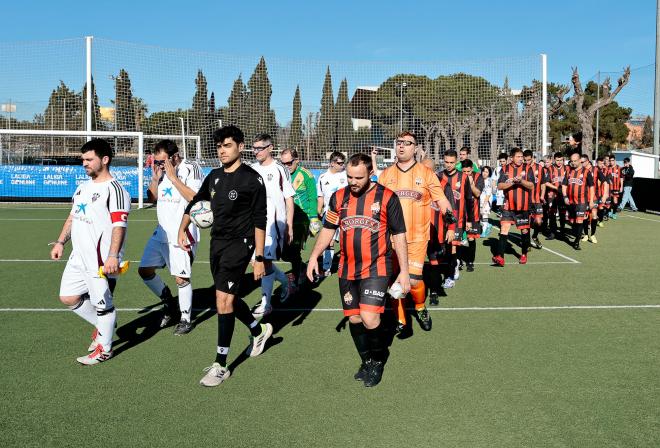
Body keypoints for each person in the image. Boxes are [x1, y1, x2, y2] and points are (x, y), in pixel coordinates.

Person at [178, 125, 272, 387]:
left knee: (222, 301)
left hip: (240, 245)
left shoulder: (252, 179)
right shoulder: (214, 176)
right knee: (227, 297)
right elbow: (196, 202)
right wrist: (182, 228)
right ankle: (259, 330)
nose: (222, 150)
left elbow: (260, 220)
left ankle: (221, 364)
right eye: (219, 146)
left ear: (241, 147)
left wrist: (260, 258)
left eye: (227, 145)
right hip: (216, 245)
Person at [306, 153, 410, 387]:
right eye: (349, 176)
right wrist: (314, 256)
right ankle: (365, 360)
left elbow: (400, 236)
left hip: (377, 268)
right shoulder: (338, 197)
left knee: (369, 317)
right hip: (347, 269)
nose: (352, 181)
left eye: (358, 177)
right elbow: (328, 229)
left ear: (371, 173)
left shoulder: (387, 197)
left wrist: (404, 271)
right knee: (354, 319)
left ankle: (377, 361)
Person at [50, 139, 130, 365]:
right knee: (68, 296)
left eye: (89, 159)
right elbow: (73, 215)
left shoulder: (116, 190)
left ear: (104, 160)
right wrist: (60, 242)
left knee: (103, 305)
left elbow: (119, 226)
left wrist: (113, 256)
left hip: (100, 259)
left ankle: (104, 349)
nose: (84, 164)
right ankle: (105, 326)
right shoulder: (82, 187)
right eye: (82, 160)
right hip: (78, 256)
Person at [378, 131, 450, 333]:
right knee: (395, 281)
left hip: (418, 237)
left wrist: (448, 214)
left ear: (415, 148)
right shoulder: (386, 175)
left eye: (407, 143)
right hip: (391, 238)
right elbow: (378, 203)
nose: (401, 146)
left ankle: (419, 307)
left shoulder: (426, 173)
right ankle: (401, 319)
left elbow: (441, 199)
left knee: (413, 280)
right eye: (399, 142)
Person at [138, 140, 203, 335]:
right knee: (145, 271)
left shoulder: (191, 168)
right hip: (162, 232)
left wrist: (174, 178)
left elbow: (196, 198)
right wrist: (156, 178)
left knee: (181, 278)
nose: (159, 165)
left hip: (183, 232)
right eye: (155, 161)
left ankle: (185, 318)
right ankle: (168, 301)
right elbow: (152, 198)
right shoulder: (161, 172)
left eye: (161, 161)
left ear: (174, 157)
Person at [250, 134, 296, 317]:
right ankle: (286, 282)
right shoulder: (251, 169)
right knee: (256, 262)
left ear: (270, 148)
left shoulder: (279, 169)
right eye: (254, 148)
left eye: (260, 148)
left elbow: (289, 198)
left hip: (273, 225)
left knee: (265, 261)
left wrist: (289, 225)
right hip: (253, 224)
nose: (256, 152)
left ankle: (266, 303)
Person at [280, 148, 319, 289]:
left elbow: (313, 197)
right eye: (283, 163)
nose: (286, 166)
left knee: (294, 249)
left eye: (289, 163)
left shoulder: (306, 175)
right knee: (283, 253)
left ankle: (296, 281)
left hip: (302, 219)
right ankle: (302, 268)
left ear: (296, 160)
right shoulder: (281, 174)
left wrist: (314, 218)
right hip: (286, 218)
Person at [492, 147, 535, 266]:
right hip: (508, 206)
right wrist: (511, 182)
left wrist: (521, 181)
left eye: (522, 157)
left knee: (525, 230)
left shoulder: (527, 168)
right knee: (504, 228)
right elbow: (500, 186)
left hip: (523, 206)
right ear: (512, 158)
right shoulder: (505, 169)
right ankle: (500, 257)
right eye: (518, 157)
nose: (521, 159)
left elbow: (531, 186)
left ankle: (523, 254)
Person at [437, 150, 472, 287]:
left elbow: (469, 199)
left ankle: (450, 277)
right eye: (446, 162)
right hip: (441, 218)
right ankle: (454, 264)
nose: (449, 165)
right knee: (442, 248)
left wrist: (469, 220)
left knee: (452, 247)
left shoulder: (463, 177)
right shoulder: (438, 176)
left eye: (452, 162)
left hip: (458, 219)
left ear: (456, 162)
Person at [317, 151, 348, 276]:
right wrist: (319, 210)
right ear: (332, 163)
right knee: (328, 240)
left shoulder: (346, 175)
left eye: (343, 162)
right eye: (340, 163)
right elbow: (320, 196)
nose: (343, 165)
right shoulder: (323, 178)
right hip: (329, 213)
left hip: (346, 212)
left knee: (347, 240)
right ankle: (326, 267)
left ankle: (348, 266)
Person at [562, 152, 595, 251]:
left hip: (582, 201)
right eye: (572, 161)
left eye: (575, 161)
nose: (573, 163)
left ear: (580, 160)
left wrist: (591, 200)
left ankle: (576, 242)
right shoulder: (568, 171)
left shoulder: (586, 172)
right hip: (570, 201)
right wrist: (565, 197)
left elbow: (592, 187)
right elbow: (564, 185)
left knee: (579, 220)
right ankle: (577, 234)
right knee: (573, 222)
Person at [523, 150, 547, 249]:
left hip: (537, 199)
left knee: (539, 221)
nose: (527, 162)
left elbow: (543, 183)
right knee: (527, 222)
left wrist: (542, 195)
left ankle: (535, 236)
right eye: (525, 160)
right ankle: (527, 242)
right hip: (526, 200)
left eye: (529, 160)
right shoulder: (522, 168)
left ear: (533, 158)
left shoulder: (540, 168)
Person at [461, 159, 483, 272]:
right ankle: (458, 261)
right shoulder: (458, 176)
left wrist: (470, 182)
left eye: (468, 172)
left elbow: (477, 193)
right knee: (457, 238)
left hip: (473, 213)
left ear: (472, 169)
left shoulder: (478, 176)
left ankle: (470, 262)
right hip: (460, 212)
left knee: (471, 238)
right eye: (464, 171)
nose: (466, 174)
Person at [544, 152, 568, 240]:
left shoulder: (567, 168)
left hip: (563, 195)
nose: (559, 162)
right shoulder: (550, 169)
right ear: (554, 160)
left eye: (561, 160)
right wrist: (556, 188)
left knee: (562, 214)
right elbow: (546, 182)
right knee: (552, 214)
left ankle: (562, 231)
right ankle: (552, 233)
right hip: (552, 195)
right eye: (557, 160)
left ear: (563, 160)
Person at [479, 165, 493, 237]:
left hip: (486, 202)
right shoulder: (479, 180)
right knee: (479, 217)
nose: (484, 173)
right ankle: (488, 225)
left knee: (484, 216)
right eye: (483, 171)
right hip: (479, 201)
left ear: (489, 173)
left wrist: (483, 205)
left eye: (486, 172)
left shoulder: (488, 181)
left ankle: (483, 232)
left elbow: (488, 195)